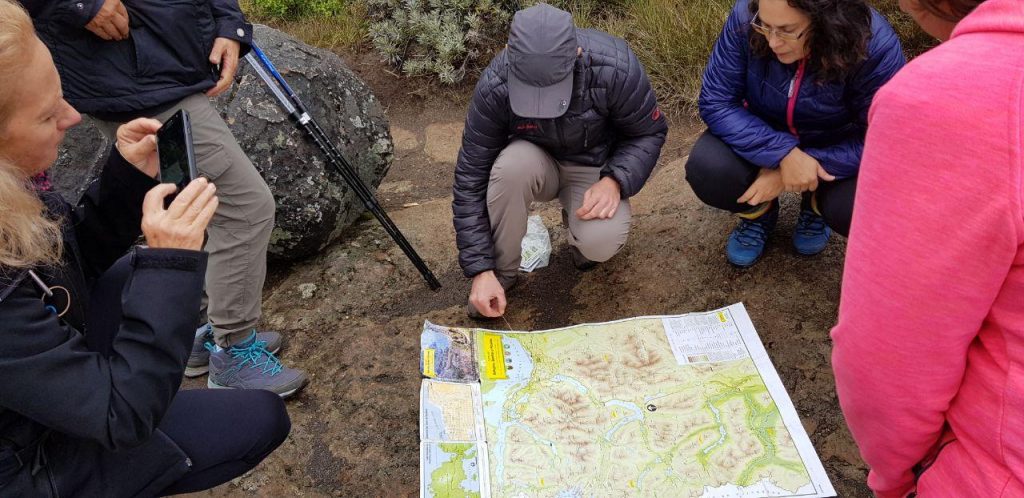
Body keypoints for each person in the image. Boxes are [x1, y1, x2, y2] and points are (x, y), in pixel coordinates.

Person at [0, 2, 290, 495]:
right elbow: (123, 416)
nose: (73, 115)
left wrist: (125, 177)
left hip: (35, 399)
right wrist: (172, 266)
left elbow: (67, 265)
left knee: (131, 272)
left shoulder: (17, 190)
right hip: (29, 468)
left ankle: (202, 343)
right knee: (261, 417)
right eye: (50, 113)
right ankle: (227, 354)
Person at [831, 0, 1024, 496]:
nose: (773, 38)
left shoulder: (947, 98)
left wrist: (896, 475)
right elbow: (717, 101)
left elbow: (888, 355)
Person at [453, 2, 668, 318]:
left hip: (593, 168)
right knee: (510, 168)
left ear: (577, 53)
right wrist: (479, 269)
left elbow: (648, 132)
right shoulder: (496, 84)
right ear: (509, 50)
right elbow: (470, 177)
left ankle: (579, 235)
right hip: (533, 164)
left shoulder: (616, 66)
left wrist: (615, 180)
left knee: (600, 241)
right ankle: (501, 273)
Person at [686, 0, 904, 267]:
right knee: (708, 169)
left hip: (833, 146)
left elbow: (883, 137)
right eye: (765, 26)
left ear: (827, 21)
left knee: (855, 208)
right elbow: (716, 100)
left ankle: (815, 204)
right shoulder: (746, 16)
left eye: (787, 30)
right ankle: (759, 213)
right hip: (763, 132)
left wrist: (801, 168)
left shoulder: (872, 44)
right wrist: (782, 154)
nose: (773, 42)